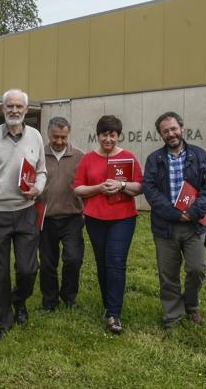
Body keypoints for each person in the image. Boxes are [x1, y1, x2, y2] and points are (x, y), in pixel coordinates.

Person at [0, 88, 47, 341]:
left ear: (26, 110)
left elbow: (42, 171)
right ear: (3, 109)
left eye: (18, 107)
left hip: (25, 212)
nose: (14, 110)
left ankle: (18, 299)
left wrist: (38, 188)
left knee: (28, 269)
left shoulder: (35, 136)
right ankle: (2, 321)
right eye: (9, 106)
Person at [73, 115, 143, 334]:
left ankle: (114, 313)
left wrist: (122, 185)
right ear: (98, 135)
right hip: (95, 218)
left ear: (118, 135)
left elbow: (139, 187)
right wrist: (98, 188)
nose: (108, 139)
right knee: (102, 264)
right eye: (104, 134)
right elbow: (78, 189)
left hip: (123, 218)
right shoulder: (87, 159)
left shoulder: (128, 157)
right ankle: (108, 305)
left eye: (112, 134)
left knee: (115, 262)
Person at [143, 112, 206, 330]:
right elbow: (150, 190)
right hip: (166, 226)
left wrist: (192, 212)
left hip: (194, 225)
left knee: (197, 269)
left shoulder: (200, 155)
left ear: (182, 128)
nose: (171, 133)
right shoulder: (155, 159)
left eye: (174, 128)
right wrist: (174, 213)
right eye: (165, 131)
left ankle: (191, 303)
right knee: (168, 274)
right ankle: (173, 315)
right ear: (160, 134)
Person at [38, 116, 84, 312]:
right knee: (48, 264)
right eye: (55, 136)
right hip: (45, 219)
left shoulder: (80, 156)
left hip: (72, 217)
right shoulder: (38, 155)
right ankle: (49, 301)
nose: (59, 141)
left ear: (68, 135)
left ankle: (68, 297)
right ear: (48, 134)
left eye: (63, 137)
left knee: (73, 259)